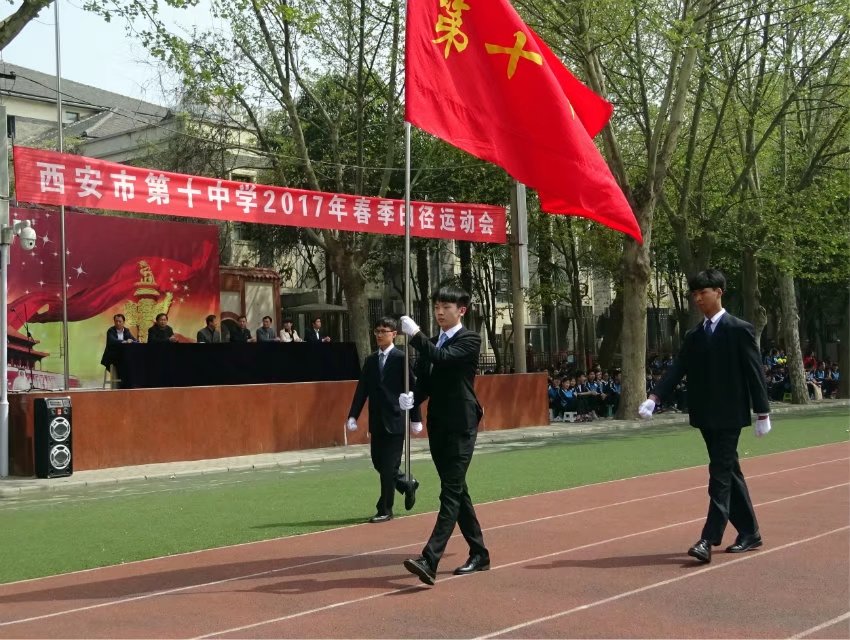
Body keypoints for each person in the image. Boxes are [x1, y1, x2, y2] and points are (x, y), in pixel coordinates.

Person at [639, 269, 771, 564]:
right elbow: (678, 368)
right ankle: (750, 532)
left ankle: (708, 539)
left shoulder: (739, 329)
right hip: (705, 414)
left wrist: (763, 412)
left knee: (719, 475)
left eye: (703, 293)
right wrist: (654, 397)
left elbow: (754, 372)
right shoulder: (694, 335)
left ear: (719, 292)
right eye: (695, 294)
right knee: (729, 471)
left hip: (730, 414)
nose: (698, 299)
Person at [398, 285, 489, 586]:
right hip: (438, 423)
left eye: (446, 307)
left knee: (450, 491)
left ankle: (430, 559)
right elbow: (426, 382)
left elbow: (443, 358)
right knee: (457, 489)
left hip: (462, 423)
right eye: (437, 306)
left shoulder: (470, 340)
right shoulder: (432, 342)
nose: (439, 312)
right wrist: (412, 399)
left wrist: (415, 336)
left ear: (461, 310)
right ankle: (480, 553)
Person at [346, 317, 423, 523]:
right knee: (378, 463)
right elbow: (362, 390)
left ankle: (385, 509)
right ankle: (407, 484)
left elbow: (412, 390)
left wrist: (415, 418)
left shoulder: (401, 358)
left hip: (396, 420)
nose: (379, 335)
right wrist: (353, 415)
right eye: (377, 331)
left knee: (388, 468)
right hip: (377, 421)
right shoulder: (371, 360)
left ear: (394, 334)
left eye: (384, 331)